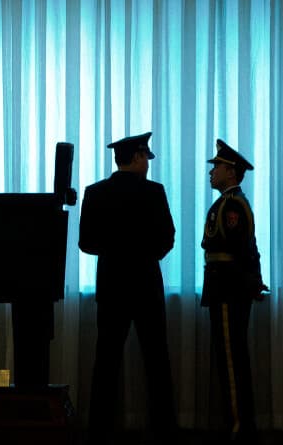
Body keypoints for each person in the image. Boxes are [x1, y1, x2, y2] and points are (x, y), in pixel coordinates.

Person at [79, 132, 178, 445]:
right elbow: (168, 237)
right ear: (136, 157)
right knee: (157, 360)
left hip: (112, 285)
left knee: (106, 360)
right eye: (145, 158)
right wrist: (146, 254)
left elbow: (85, 242)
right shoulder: (154, 192)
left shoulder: (95, 192)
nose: (147, 164)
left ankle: (98, 431)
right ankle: (164, 431)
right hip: (147, 284)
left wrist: (114, 252)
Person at [201, 139, 269, 444]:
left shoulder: (233, 205)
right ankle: (238, 423)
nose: (211, 171)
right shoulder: (227, 203)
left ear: (231, 171)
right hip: (224, 287)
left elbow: (243, 250)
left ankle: (240, 427)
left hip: (228, 289)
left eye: (217, 166)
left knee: (231, 360)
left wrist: (251, 283)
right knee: (230, 357)